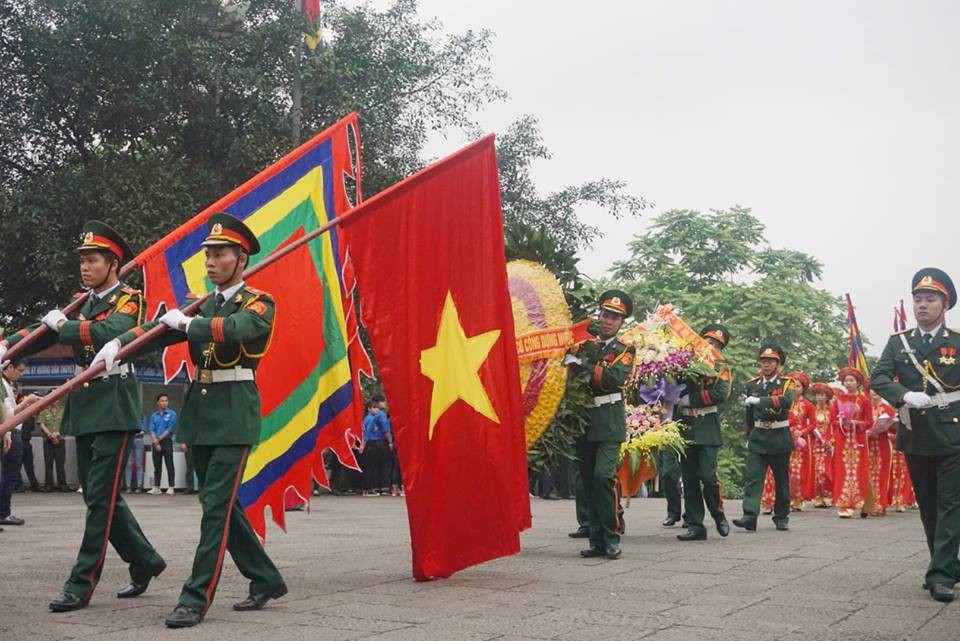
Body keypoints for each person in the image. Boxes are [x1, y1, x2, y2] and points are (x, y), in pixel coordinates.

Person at [94, 213, 286, 627]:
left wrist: (189, 322)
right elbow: (157, 330)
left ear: (240, 258)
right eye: (208, 255)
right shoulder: (204, 305)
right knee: (220, 504)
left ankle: (195, 597)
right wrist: (118, 343)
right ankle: (266, 578)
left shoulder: (258, 301)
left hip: (235, 412)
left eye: (219, 255)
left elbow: (235, 330)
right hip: (200, 414)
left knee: (215, 507)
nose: (211, 262)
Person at [0, 221, 166, 612]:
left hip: (114, 405)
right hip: (87, 406)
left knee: (100, 501)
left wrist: (65, 326)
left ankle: (80, 583)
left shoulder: (129, 299)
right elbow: (42, 330)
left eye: (93, 260)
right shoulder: (81, 302)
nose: (85, 267)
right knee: (99, 496)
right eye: (83, 261)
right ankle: (145, 560)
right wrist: (7, 344)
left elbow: (113, 330)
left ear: (113, 264)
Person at [871, 267, 960, 603]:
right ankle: (948, 563)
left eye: (930, 299)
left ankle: (939, 576)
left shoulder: (956, 342)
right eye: (918, 299)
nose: (922, 305)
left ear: (944, 304)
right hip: (916, 434)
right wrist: (902, 394)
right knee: (928, 506)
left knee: (951, 505)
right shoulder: (899, 343)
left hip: (953, 434)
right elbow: (878, 378)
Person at [564, 290, 635, 559]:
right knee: (588, 481)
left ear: (621, 322)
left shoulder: (625, 350)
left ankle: (612, 535)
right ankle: (596, 539)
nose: (608, 321)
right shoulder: (585, 345)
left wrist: (582, 364)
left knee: (603, 477)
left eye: (615, 317)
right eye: (606, 315)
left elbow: (614, 377)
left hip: (608, 421)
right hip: (584, 420)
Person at [675, 323, 733, 541]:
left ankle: (718, 514)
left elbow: (720, 393)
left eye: (717, 343)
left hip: (708, 426)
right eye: (709, 340)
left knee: (708, 477)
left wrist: (692, 398)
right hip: (686, 425)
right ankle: (695, 525)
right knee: (689, 479)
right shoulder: (684, 359)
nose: (712, 345)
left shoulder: (721, 367)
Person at [733, 344, 796, 532]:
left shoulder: (787, 383)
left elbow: (787, 401)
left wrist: (762, 400)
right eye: (763, 361)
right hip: (758, 436)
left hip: (779, 436)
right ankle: (749, 516)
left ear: (778, 364)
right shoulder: (753, 384)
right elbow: (749, 413)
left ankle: (781, 516)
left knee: (781, 480)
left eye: (770, 361)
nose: (766, 364)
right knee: (753, 478)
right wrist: (748, 434)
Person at [1, 361, 40, 526]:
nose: (21, 374)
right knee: (9, 476)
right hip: (10, 431)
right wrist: (27, 402)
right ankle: (4, 513)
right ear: (9, 367)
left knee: (8, 476)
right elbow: (8, 413)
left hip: (11, 431)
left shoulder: (7, 384)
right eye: (19, 370)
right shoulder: (3, 384)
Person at [831, 367, 871, 519]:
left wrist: (855, 423)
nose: (848, 383)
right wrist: (841, 423)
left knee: (858, 470)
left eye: (851, 380)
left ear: (858, 382)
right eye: (846, 380)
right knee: (842, 469)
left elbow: (869, 422)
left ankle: (859, 503)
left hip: (858, 440)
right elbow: (832, 420)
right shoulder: (838, 400)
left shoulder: (864, 400)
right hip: (842, 439)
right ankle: (843, 504)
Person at [786, 371, 816, 512]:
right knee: (785, 470)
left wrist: (802, 433)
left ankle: (797, 500)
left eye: (798, 386)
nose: (795, 388)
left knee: (797, 473)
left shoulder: (808, 405)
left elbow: (813, 424)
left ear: (803, 388)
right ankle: (784, 499)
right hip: (786, 439)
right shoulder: (785, 403)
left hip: (801, 443)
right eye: (792, 386)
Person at [865, 388, 894, 517]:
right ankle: (870, 504)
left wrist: (887, 431)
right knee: (869, 475)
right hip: (868, 445)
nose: (875, 392)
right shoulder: (865, 408)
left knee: (882, 475)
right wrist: (866, 431)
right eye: (872, 389)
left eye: (877, 389)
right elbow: (862, 424)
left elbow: (894, 429)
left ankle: (881, 504)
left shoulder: (888, 409)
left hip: (883, 445)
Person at [808, 382, 836, 508]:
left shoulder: (831, 411)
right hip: (815, 444)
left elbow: (835, 427)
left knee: (826, 471)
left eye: (822, 395)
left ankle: (829, 495)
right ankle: (818, 497)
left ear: (827, 397)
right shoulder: (812, 410)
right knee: (816, 470)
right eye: (818, 395)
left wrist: (831, 441)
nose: (819, 398)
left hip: (828, 445)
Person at [360, 400, 393, 496]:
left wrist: (363, 445)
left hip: (370, 444)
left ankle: (370, 488)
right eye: (373, 407)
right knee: (379, 466)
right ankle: (378, 487)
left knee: (370, 466)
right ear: (369, 409)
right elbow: (386, 430)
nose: (376, 410)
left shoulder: (367, 418)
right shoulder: (379, 416)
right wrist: (390, 442)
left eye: (376, 407)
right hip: (377, 442)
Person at [147, 393, 177, 495]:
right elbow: (151, 429)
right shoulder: (154, 415)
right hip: (156, 442)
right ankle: (156, 487)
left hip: (166, 441)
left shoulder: (172, 414)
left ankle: (171, 486)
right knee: (157, 465)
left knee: (169, 464)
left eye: (166, 401)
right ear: (158, 402)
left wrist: (158, 440)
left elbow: (170, 429)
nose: (164, 403)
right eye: (162, 401)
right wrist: (155, 442)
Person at [38, 401, 69, 492]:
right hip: (48, 440)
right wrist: (50, 435)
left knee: (60, 464)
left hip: (60, 440)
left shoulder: (63, 410)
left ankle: (62, 485)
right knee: (48, 464)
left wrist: (57, 434)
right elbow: (41, 424)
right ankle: (49, 485)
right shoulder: (44, 411)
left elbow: (66, 424)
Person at [18, 392, 42, 492]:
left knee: (29, 466)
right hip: (18, 442)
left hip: (26, 442)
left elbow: (31, 429)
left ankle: (34, 485)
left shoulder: (30, 417)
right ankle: (18, 485)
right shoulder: (16, 415)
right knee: (16, 466)